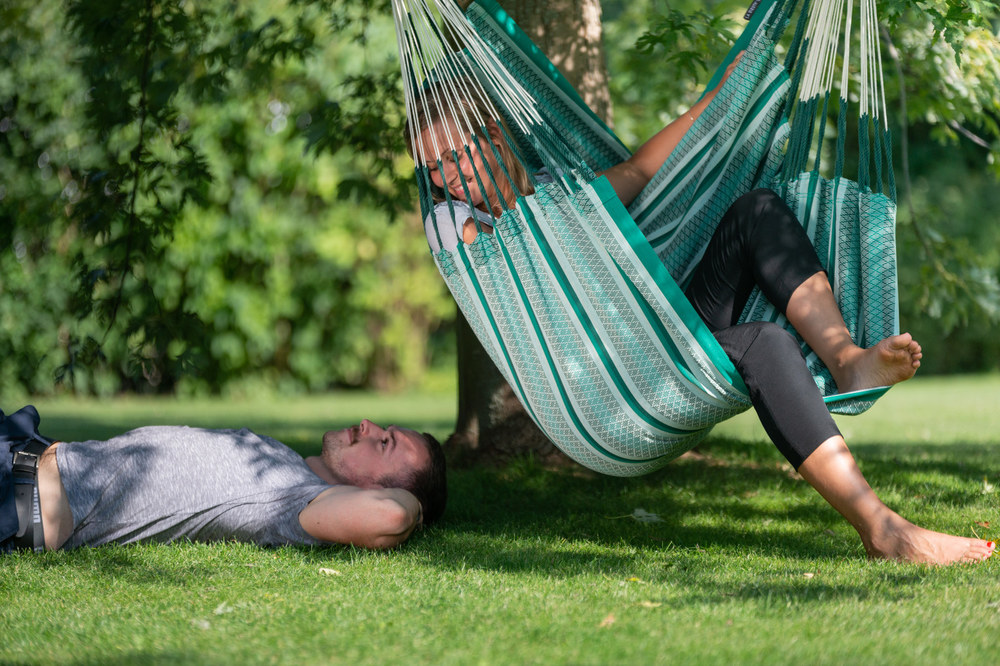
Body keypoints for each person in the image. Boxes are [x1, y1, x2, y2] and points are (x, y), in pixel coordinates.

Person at [405, 60, 996, 565]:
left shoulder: (554, 182)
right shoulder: (453, 224)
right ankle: (882, 530)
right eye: (432, 168)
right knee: (764, 343)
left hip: (666, 338)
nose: (446, 177)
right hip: (618, 384)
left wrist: (728, 91)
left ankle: (846, 361)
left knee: (758, 211)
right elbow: (500, 259)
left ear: (494, 134)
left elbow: (641, 170)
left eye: (455, 155)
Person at [1, 406, 447, 553]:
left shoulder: (296, 501)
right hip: (23, 447)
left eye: (384, 443)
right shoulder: (282, 462)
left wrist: (417, 505)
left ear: (381, 488)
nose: (368, 425)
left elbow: (389, 516)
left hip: (18, 497)